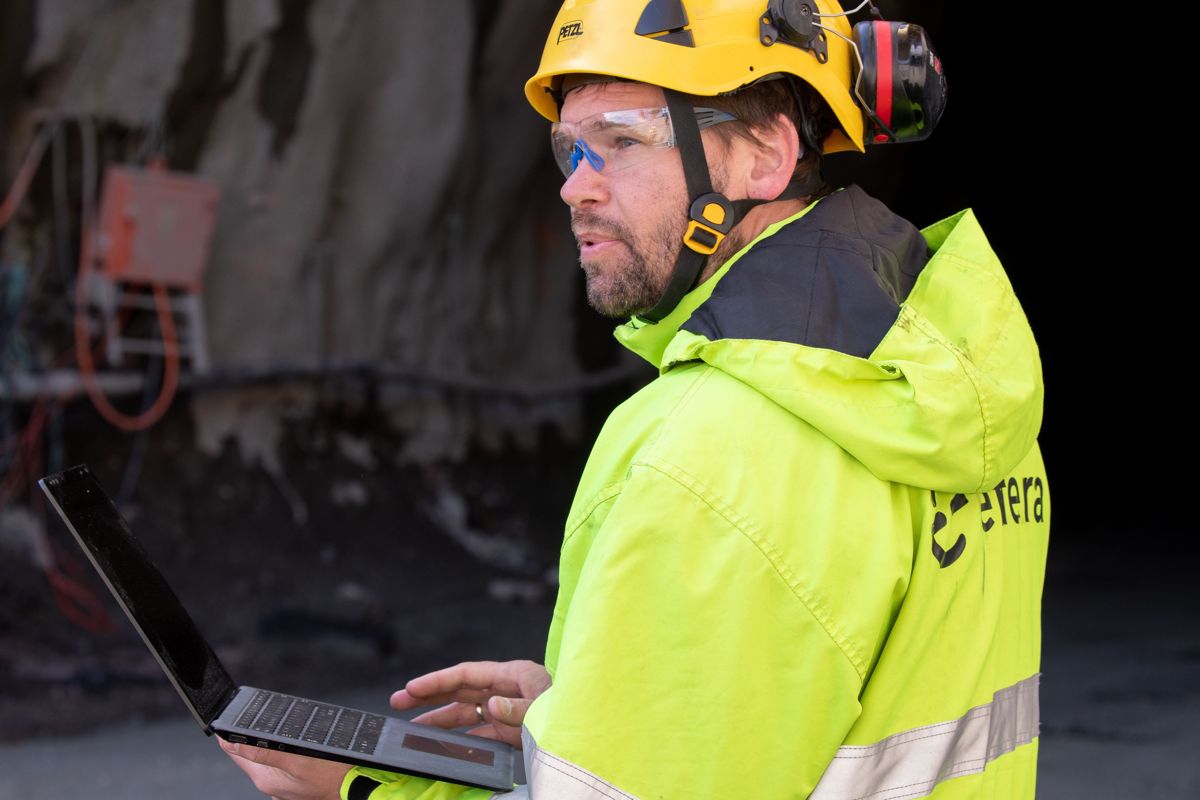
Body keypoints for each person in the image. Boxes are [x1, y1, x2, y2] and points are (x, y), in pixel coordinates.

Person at [223, 1, 1049, 798]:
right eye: (568, 148)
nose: (574, 188)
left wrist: (370, 789)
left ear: (764, 154)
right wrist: (593, 705)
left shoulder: (704, 454)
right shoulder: (950, 391)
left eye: (620, 141)